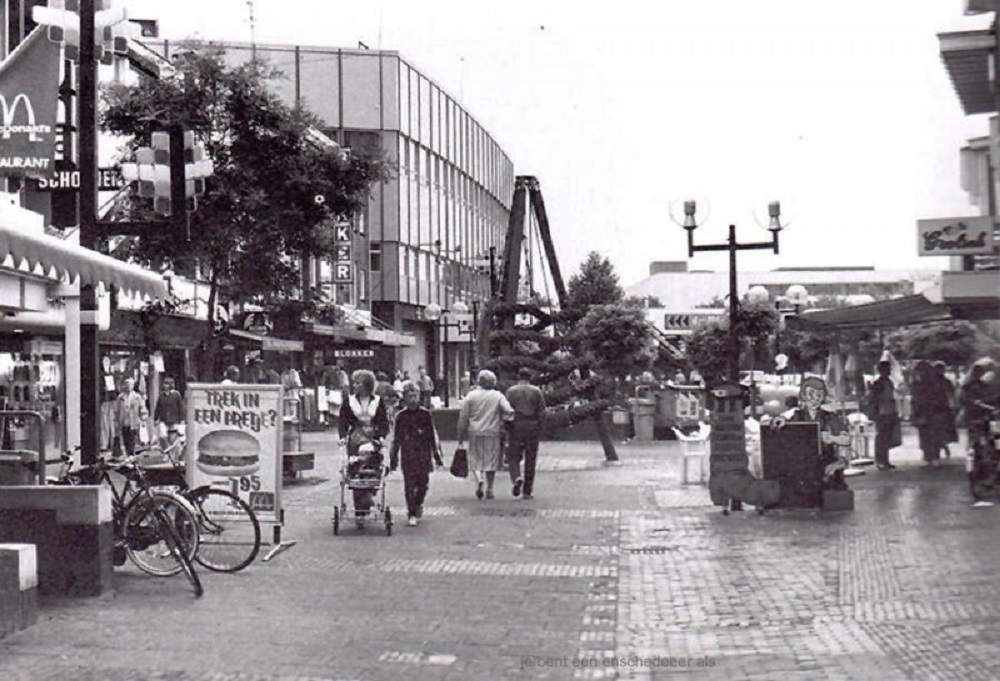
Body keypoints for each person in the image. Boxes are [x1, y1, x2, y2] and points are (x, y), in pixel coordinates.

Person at [771, 376, 851, 490]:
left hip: (824, 460)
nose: (815, 398)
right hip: (801, 460)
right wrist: (780, 420)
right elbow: (781, 425)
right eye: (811, 394)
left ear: (824, 397)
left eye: (819, 395)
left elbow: (846, 439)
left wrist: (832, 438)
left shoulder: (829, 417)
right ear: (803, 395)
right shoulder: (797, 415)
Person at [338, 369, 390, 524]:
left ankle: (369, 494)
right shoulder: (349, 401)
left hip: (373, 436)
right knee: (356, 470)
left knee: (371, 467)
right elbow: (343, 420)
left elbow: (383, 422)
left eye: (358, 383)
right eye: (354, 383)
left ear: (367, 385)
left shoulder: (378, 401)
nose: (355, 386)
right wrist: (342, 437)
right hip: (356, 437)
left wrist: (381, 435)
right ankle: (360, 509)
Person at [389, 381, 444, 526]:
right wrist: (393, 458)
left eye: (415, 396)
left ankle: (418, 503)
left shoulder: (425, 414)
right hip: (408, 453)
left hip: (423, 453)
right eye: (409, 396)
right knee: (409, 483)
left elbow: (431, 435)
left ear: (419, 396)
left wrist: (436, 455)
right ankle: (411, 512)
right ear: (404, 398)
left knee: (423, 484)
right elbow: (397, 438)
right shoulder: (401, 416)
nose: (413, 399)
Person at [457, 369, 514, 500]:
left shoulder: (471, 396)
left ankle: (479, 480)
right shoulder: (498, 396)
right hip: (492, 432)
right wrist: (503, 420)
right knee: (491, 461)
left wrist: (460, 435)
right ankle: (490, 488)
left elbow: (463, 416)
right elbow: (509, 411)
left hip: (475, 432)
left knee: (475, 459)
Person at [505, 367, 546, 500]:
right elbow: (542, 411)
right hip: (532, 424)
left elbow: (506, 410)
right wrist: (540, 426)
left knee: (513, 455)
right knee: (531, 458)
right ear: (530, 377)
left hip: (516, 425)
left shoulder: (511, 391)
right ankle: (527, 490)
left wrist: (507, 426)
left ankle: (516, 477)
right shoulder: (537, 391)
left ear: (518, 376)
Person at [868, 360, 900, 471]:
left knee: (887, 437)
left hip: (889, 412)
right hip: (882, 413)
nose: (889, 371)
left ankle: (885, 460)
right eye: (887, 369)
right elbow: (874, 399)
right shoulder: (878, 384)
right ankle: (880, 460)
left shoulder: (889, 382)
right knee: (882, 437)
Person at [116, 378, 149, 458]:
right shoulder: (120, 397)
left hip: (134, 421)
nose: (127, 386)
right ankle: (129, 455)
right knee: (125, 439)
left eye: (129, 385)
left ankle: (132, 456)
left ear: (133, 386)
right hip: (124, 421)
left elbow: (142, 408)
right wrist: (116, 422)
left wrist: (143, 418)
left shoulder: (137, 397)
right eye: (126, 384)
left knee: (133, 439)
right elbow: (117, 410)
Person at [153, 377, 185, 448]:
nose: (165, 386)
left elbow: (181, 407)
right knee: (163, 436)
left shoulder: (176, 395)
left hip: (174, 419)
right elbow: (158, 408)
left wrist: (182, 419)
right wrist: (156, 418)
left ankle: (172, 451)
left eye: (167, 384)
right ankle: (166, 450)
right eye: (164, 384)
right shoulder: (161, 395)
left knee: (172, 438)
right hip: (164, 419)